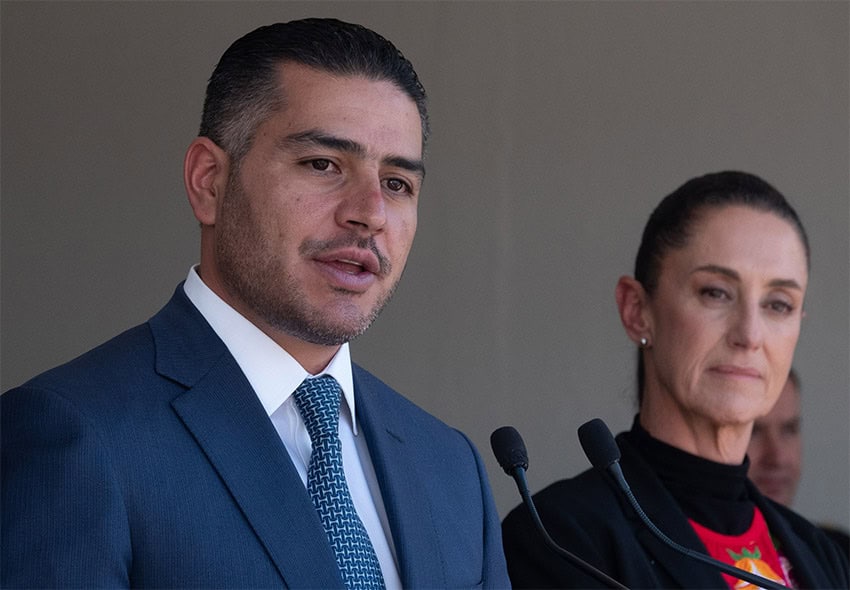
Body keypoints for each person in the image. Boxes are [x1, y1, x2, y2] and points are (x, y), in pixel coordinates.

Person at [1, 19, 510, 589]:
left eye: (397, 183)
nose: (370, 212)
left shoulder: (451, 466)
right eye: (323, 164)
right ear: (209, 182)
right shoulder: (75, 434)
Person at [501, 171, 850, 588]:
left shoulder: (822, 555)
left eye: (779, 304)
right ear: (636, 310)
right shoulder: (563, 538)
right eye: (715, 293)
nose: (750, 335)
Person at [748, 369, 850, 556]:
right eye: (753, 431)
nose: (777, 458)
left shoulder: (836, 554)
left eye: (789, 429)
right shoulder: (690, 555)